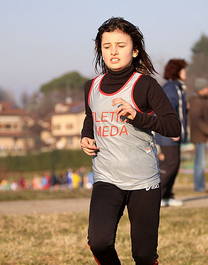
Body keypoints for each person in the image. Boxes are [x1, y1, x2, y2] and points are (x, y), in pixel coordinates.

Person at [80, 17, 181, 265]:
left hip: (143, 181)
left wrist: (139, 117)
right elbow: (90, 116)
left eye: (121, 45)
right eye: (107, 46)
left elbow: (173, 126)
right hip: (106, 178)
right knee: (99, 242)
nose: (113, 51)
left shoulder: (145, 85)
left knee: (144, 256)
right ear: (100, 50)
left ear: (135, 50)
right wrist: (86, 136)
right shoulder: (90, 86)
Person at [155, 59, 188, 207]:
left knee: (174, 164)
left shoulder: (178, 88)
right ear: (177, 71)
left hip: (174, 134)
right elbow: (167, 110)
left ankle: (167, 195)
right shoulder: (171, 88)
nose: (185, 72)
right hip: (168, 134)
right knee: (170, 165)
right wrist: (172, 130)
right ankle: (158, 196)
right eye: (183, 69)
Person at [189, 78, 208, 192]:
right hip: (200, 136)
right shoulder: (195, 101)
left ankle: (200, 185)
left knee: (201, 162)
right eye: (207, 87)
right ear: (201, 89)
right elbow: (197, 120)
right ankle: (199, 187)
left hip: (204, 136)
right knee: (200, 163)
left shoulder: (203, 99)